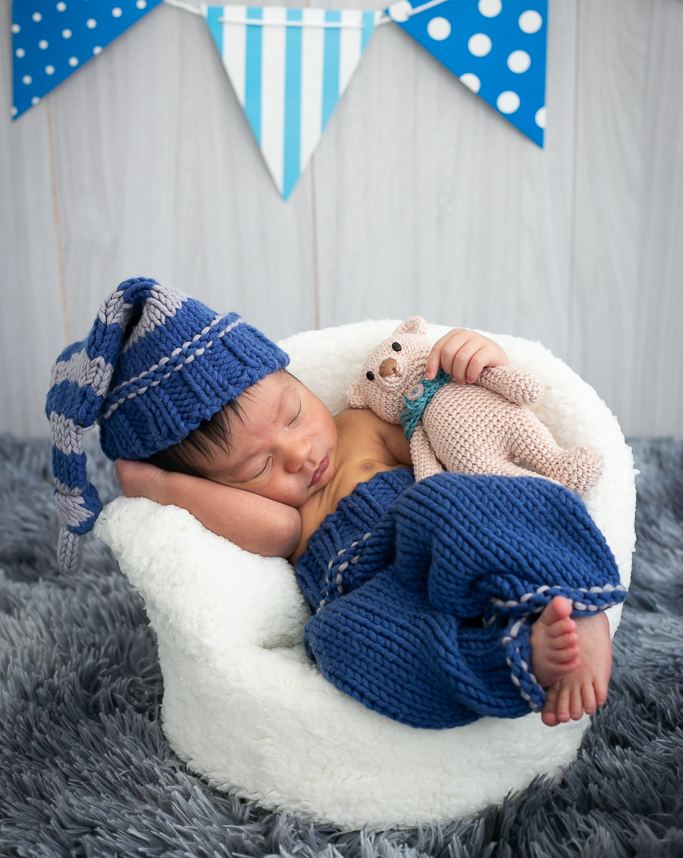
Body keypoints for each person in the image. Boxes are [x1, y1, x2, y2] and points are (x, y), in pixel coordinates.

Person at [47, 277, 616, 730]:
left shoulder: (362, 424)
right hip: (369, 595)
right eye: (259, 466)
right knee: (338, 641)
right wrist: (162, 487)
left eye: (293, 413)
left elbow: (454, 428)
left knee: (451, 502)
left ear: (292, 376)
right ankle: (513, 658)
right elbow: (274, 530)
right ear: (220, 489)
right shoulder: (282, 522)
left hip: (427, 533)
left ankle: (574, 595)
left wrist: (473, 358)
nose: (298, 453)